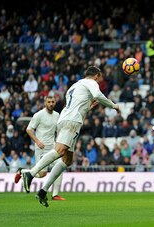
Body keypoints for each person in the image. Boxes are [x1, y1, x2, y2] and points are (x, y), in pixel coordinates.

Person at [21, 66, 120, 207]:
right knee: (60, 151)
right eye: (100, 77)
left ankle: (43, 191)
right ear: (96, 75)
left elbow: (76, 105)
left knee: (67, 160)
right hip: (72, 121)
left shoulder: (74, 86)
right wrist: (114, 106)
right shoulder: (91, 82)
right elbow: (98, 95)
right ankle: (30, 174)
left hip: (65, 119)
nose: (100, 80)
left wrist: (87, 107)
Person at [15, 96, 65, 201]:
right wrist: (37, 141)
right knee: (42, 174)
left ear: (55, 103)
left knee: (60, 166)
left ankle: (55, 195)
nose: (51, 104)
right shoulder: (38, 115)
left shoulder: (57, 115)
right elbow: (29, 130)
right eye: (49, 102)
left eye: (52, 102)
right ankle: (22, 171)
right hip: (41, 148)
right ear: (45, 103)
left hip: (52, 147)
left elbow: (57, 131)